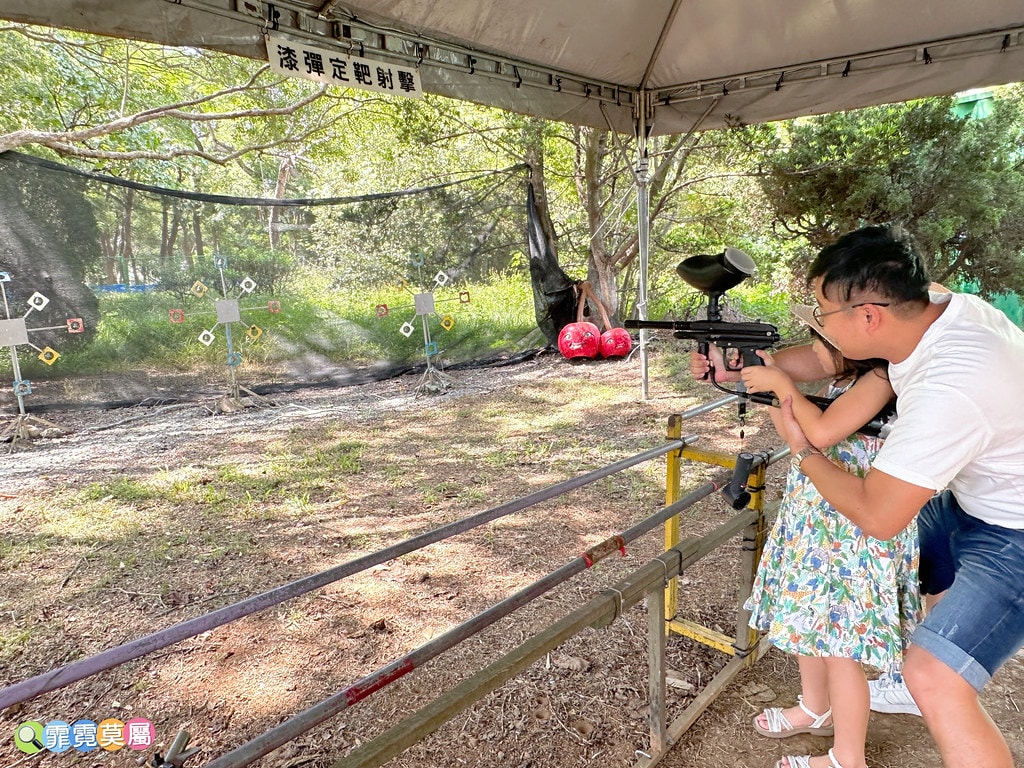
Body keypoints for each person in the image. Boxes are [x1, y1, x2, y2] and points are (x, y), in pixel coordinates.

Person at [693, 225, 1024, 768]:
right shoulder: (931, 304)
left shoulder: (952, 386)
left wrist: (801, 448)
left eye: (824, 314)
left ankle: (916, 673)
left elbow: (877, 515)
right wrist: (743, 368)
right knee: (920, 577)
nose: (820, 326)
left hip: (1012, 524)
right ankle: (909, 658)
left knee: (932, 675)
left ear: (868, 316)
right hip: (972, 493)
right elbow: (830, 361)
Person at [739, 316, 920, 768]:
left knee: (842, 650)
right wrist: (771, 395)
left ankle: (848, 758)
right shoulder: (847, 378)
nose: (815, 352)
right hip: (820, 524)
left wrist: (782, 385)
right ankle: (814, 707)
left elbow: (820, 434)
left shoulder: (882, 379)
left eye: (821, 342)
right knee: (808, 625)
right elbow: (800, 438)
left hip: (853, 535)